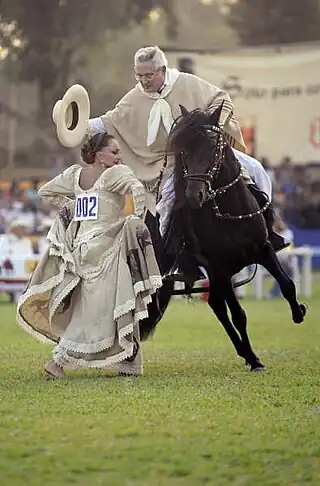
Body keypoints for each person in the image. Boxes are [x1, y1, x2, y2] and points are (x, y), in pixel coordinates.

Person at [88, 45, 286, 253]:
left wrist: (207, 124)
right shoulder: (134, 99)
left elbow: (221, 99)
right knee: (166, 201)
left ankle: (267, 228)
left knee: (254, 168)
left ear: (162, 70)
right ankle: (171, 254)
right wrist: (78, 126)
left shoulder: (187, 83)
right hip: (172, 163)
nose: (144, 80)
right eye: (139, 75)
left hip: (206, 153)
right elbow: (108, 121)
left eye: (149, 75)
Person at [16, 133, 162, 378]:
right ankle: (58, 362)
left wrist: (72, 207)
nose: (119, 157)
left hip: (81, 250)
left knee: (112, 302)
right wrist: (136, 220)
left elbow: (45, 192)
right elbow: (137, 189)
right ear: (99, 155)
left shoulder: (74, 175)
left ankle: (129, 363)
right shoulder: (115, 173)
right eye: (114, 152)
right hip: (108, 248)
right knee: (109, 304)